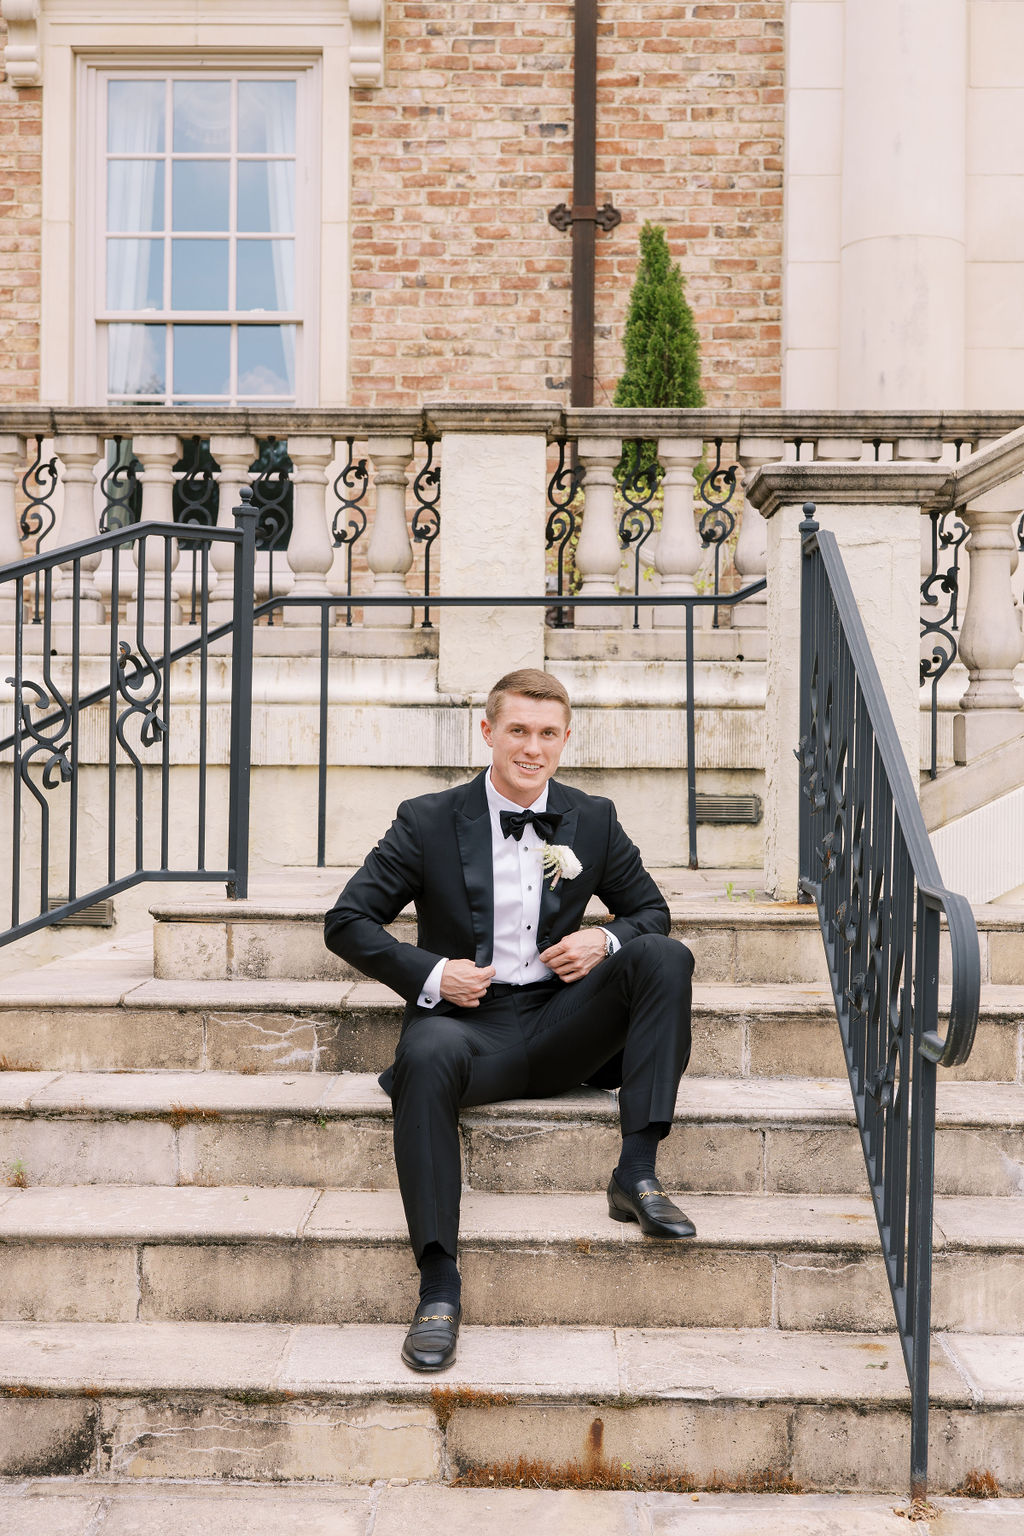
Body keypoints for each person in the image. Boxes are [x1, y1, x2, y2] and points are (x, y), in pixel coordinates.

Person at [323, 668, 695, 1372]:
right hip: (470, 1030)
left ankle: (637, 1173)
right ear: (488, 732)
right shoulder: (427, 819)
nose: (532, 748)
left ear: (565, 739)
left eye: (547, 734)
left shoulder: (594, 816)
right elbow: (346, 921)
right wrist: (434, 973)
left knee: (664, 957)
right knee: (426, 1053)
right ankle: (438, 1284)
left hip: (565, 1026)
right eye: (517, 731)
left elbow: (651, 912)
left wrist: (604, 939)